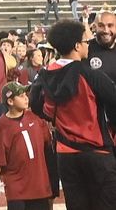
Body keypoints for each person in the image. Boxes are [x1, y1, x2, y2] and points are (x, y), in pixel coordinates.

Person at [30, 19, 116, 208]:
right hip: (97, 152)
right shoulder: (91, 74)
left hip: (65, 154)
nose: (88, 45)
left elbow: (35, 104)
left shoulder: (43, 75)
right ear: (77, 46)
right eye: (86, 41)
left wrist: (54, 118)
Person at [0, 82, 54, 208]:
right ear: (10, 101)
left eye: (26, 95)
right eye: (21, 95)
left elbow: (47, 145)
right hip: (16, 187)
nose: (26, 98)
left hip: (39, 184)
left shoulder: (35, 119)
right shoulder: (1, 126)